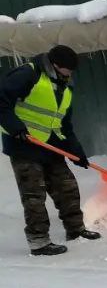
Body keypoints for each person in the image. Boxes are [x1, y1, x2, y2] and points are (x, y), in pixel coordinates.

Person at [0, 45, 100, 256]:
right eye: (67, 69)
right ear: (54, 65)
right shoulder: (29, 73)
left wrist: (77, 152)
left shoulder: (65, 85)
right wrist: (15, 128)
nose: (70, 74)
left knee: (67, 187)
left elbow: (64, 125)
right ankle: (39, 241)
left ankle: (75, 230)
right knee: (34, 194)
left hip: (49, 144)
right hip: (23, 144)